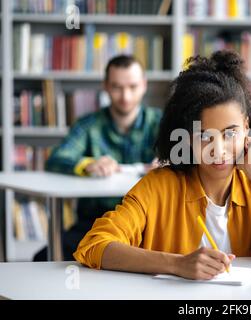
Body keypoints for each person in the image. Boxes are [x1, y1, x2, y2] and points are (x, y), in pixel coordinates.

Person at [73, 51, 251, 279]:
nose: (219, 150)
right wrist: (176, 264)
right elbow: (94, 246)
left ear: (247, 128)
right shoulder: (158, 187)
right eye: (204, 136)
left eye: (230, 133)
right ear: (186, 137)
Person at [34, 55, 162, 261]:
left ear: (144, 85)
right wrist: (87, 164)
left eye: (132, 87)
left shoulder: (161, 122)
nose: (125, 96)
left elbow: (188, 156)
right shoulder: (89, 124)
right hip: (94, 223)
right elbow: (56, 158)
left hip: (147, 223)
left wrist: (171, 165)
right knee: (43, 260)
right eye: (117, 87)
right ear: (105, 86)